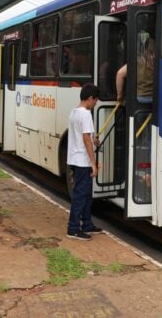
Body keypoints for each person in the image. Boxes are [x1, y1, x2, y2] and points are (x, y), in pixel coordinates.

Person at [67, 83, 103, 241]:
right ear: (90, 98)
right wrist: (93, 164)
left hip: (74, 159)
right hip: (82, 161)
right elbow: (86, 139)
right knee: (81, 195)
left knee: (86, 194)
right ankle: (73, 228)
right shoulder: (86, 114)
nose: (95, 104)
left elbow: (85, 136)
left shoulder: (74, 112)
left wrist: (93, 138)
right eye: (95, 101)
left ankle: (87, 224)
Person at [115, 37, 155, 104]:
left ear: (145, 50)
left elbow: (120, 74)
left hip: (140, 99)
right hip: (156, 100)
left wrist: (119, 96)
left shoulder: (138, 61)